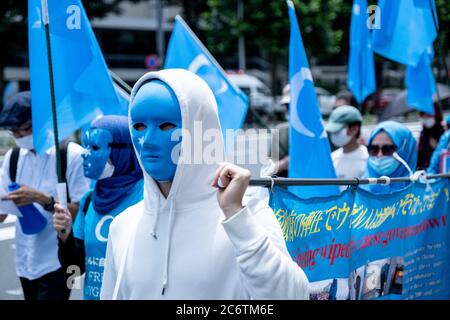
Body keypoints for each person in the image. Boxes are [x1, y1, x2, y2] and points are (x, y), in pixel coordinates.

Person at [100, 69, 309, 300]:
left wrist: (236, 217)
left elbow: (291, 295)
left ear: (199, 129)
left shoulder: (248, 214)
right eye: (138, 126)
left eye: (166, 126)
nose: (147, 141)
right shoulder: (124, 226)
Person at [0, 91, 89, 300]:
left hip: (58, 261)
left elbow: (82, 212)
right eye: (15, 132)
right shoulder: (13, 158)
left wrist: (43, 199)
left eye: (25, 129)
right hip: (25, 260)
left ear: (42, 121)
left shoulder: (70, 155)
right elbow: (2, 214)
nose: (20, 136)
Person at [53, 115, 144, 300]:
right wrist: (65, 236)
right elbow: (76, 268)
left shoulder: (148, 197)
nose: (85, 153)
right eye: (85, 146)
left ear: (123, 151)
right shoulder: (89, 201)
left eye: (94, 147)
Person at [364, 121, 417, 194]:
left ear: (405, 151)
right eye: (373, 149)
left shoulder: (425, 193)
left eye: (387, 149)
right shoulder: (359, 190)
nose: (379, 155)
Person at [325, 106, 368, 191]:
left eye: (338, 131)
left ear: (354, 129)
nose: (333, 135)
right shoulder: (331, 158)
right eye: (332, 132)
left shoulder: (367, 159)